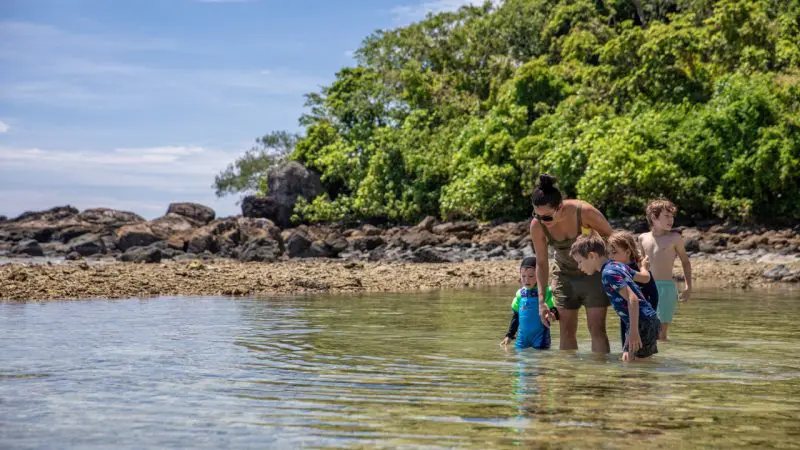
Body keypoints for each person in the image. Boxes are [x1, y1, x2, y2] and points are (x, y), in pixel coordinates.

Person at [529, 174, 614, 353]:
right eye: (536, 214)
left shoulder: (584, 212)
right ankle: (567, 379)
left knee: (597, 329)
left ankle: (604, 377)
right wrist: (542, 301)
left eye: (546, 217)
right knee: (566, 332)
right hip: (564, 276)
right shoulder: (537, 225)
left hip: (593, 275)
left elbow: (614, 239)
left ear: (560, 207)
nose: (541, 220)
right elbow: (542, 263)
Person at [569, 235, 660, 361]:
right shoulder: (618, 265)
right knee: (632, 362)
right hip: (646, 318)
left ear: (592, 256)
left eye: (580, 261)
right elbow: (645, 278)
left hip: (640, 322)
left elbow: (632, 299)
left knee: (636, 366)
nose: (579, 267)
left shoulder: (609, 273)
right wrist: (644, 267)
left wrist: (633, 332)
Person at [638, 199, 693, 341]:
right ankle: (648, 359)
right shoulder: (642, 238)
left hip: (666, 288)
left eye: (672, 216)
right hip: (646, 286)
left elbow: (685, 262)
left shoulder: (675, 238)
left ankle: (662, 361)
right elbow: (642, 265)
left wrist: (688, 287)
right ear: (654, 218)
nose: (671, 220)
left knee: (661, 333)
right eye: (666, 216)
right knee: (645, 328)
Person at [608, 230, 659, 348]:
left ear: (627, 251)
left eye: (614, 252)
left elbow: (654, 295)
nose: (611, 256)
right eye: (610, 253)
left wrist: (652, 319)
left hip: (644, 318)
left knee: (642, 354)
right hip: (626, 318)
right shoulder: (615, 269)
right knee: (627, 352)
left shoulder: (639, 270)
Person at [501, 257, 555, 350]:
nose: (526, 280)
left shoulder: (546, 293)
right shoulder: (519, 295)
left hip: (540, 336)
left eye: (531, 276)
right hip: (522, 338)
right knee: (520, 362)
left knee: (541, 360)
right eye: (523, 276)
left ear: (539, 275)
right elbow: (516, 317)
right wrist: (509, 335)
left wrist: (553, 314)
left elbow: (554, 309)